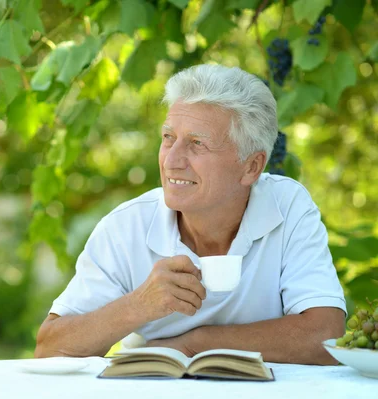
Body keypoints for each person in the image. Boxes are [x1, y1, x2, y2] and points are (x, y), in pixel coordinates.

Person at [34, 64, 346, 365]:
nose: (172, 160)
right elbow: (50, 347)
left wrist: (194, 344)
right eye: (168, 138)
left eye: (197, 143)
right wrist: (138, 305)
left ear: (251, 167)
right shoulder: (126, 226)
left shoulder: (287, 206)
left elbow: (324, 334)